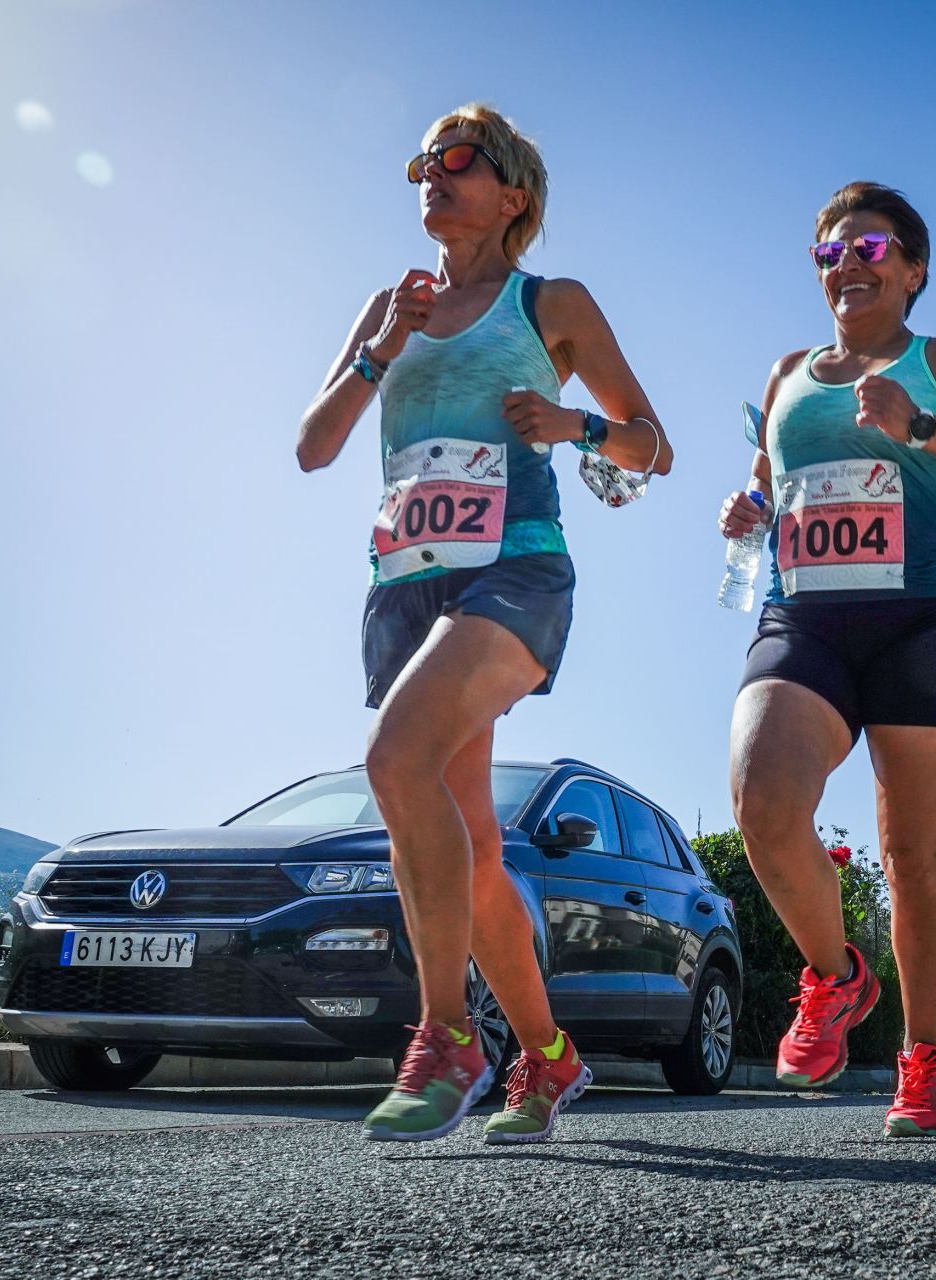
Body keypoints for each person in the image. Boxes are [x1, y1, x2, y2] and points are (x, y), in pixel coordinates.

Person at [296, 103, 671, 1143]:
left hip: (514, 571)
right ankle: (548, 1059)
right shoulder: (393, 303)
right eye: (421, 161)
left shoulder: (550, 299)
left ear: (513, 196)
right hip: (406, 581)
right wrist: (381, 349)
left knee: (394, 760)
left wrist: (573, 422)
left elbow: (653, 445)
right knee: (471, 844)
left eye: (457, 161)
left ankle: (450, 1035)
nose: (432, 175)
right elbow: (314, 447)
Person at [717, 182, 936, 1137]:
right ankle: (834, 977)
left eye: (867, 246)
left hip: (925, 622)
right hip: (806, 620)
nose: (846, 264)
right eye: (828, 252)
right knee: (762, 801)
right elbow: (768, 479)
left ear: (913, 269)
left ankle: (925, 1055)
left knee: (911, 854)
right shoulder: (788, 371)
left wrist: (921, 426)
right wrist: (746, 508)